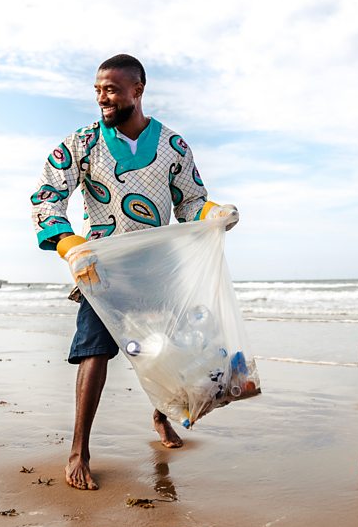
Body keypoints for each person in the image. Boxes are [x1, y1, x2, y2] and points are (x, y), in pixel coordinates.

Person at [30, 54, 238, 490]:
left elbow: (189, 202)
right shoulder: (82, 143)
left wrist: (215, 211)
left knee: (164, 351)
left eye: (111, 89)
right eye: (97, 89)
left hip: (158, 269)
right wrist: (70, 246)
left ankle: (161, 417)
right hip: (100, 269)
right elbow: (47, 196)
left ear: (137, 91)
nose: (102, 97)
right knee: (93, 353)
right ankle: (79, 450)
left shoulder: (172, 146)